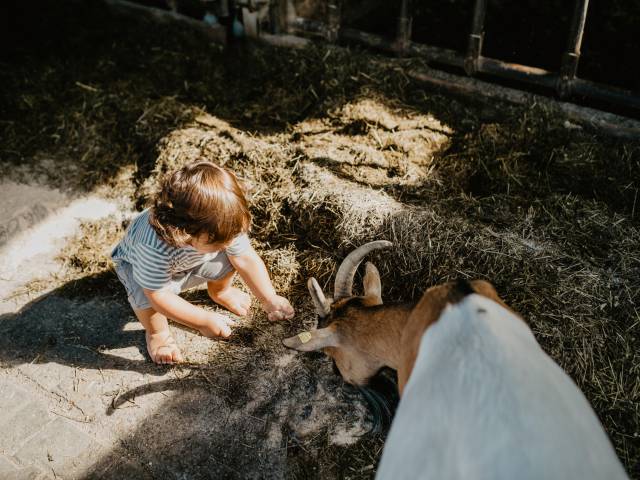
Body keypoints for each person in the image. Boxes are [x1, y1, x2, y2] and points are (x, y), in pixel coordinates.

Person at [111, 160, 295, 364]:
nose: (228, 243)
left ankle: (220, 291)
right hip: (140, 271)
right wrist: (202, 321)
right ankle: (158, 335)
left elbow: (245, 258)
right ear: (184, 232)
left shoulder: (222, 222)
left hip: (187, 260)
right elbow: (158, 295)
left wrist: (269, 298)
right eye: (217, 242)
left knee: (231, 257)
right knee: (143, 297)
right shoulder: (152, 247)